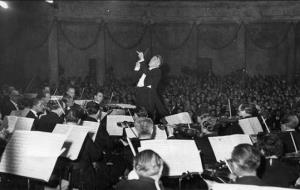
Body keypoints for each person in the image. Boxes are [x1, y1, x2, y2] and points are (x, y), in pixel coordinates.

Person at [134, 51, 168, 122]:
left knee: (145, 123)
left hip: (147, 100)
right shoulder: (146, 70)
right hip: (140, 97)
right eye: (151, 58)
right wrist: (137, 68)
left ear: (158, 63)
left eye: (154, 59)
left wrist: (142, 60)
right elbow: (135, 79)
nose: (151, 60)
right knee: (138, 123)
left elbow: (147, 82)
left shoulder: (157, 71)